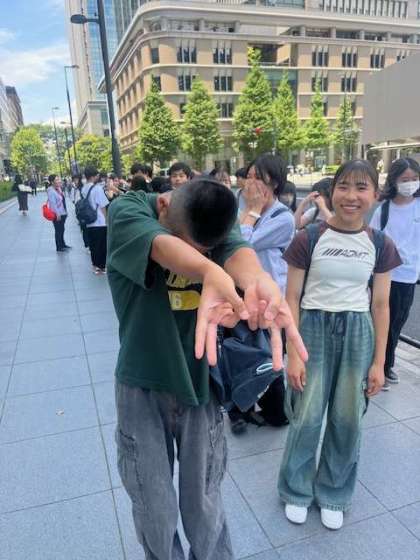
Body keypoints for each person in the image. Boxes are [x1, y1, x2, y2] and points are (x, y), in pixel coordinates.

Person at [107, 177, 307, 560]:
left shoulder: (212, 215)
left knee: (204, 502)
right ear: (163, 206)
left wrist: (258, 280)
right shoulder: (128, 210)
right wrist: (209, 271)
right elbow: (161, 246)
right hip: (140, 385)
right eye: (189, 245)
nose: (201, 255)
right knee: (154, 507)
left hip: (202, 383)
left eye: (205, 251)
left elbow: (237, 251)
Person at [278, 160, 401, 530]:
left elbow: (381, 305)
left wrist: (378, 362)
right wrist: (292, 353)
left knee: (347, 419)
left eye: (361, 187)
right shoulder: (309, 238)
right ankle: (296, 490)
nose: (351, 196)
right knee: (306, 415)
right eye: (344, 186)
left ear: (375, 194)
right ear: (332, 192)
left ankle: (333, 492)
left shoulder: (380, 244)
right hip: (312, 330)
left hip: (357, 332)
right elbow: (292, 298)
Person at [231, 153, 295, 433]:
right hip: (240, 294)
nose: (252, 183)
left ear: (275, 183)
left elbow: (242, 243)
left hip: (269, 300)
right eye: (250, 176)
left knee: (269, 356)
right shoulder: (242, 207)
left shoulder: (283, 218)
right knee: (240, 352)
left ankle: (274, 411)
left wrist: (253, 210)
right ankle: (238, 408)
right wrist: (250, 210)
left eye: (260, 178)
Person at [370, 157, 420, 389]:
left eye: (414, 179)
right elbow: (373, 239)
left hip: (408, 276)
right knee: (380, 321)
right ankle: (379, 364)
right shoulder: (384, 209)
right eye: (405, 179)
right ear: (394, 181)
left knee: (397, 323)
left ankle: (385, 364)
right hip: (384, 275)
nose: (410, 184)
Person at [81, 166, 109, 274]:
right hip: (99, 221)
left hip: (89, 221)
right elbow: (102, 205)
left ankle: (95, 266)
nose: (98, 176)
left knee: (93, 245)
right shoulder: (97, 188)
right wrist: (106, 219)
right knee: (101, 245)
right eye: (97, 175)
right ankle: (101, 266)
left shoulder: (84, 188)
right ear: (93, 176)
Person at [47, 174, 70, 252]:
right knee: (58, 230)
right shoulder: (51, 191)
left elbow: (62, 200)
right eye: (57, 180)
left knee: (62, 229)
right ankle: (59, 247)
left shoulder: (58, 189)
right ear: (52, 182)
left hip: (62, 212)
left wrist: (65, 212)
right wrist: (57, 214)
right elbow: (53, 204)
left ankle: (63, 244)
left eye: (59, 179)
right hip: (57, 214)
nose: (59, 181)